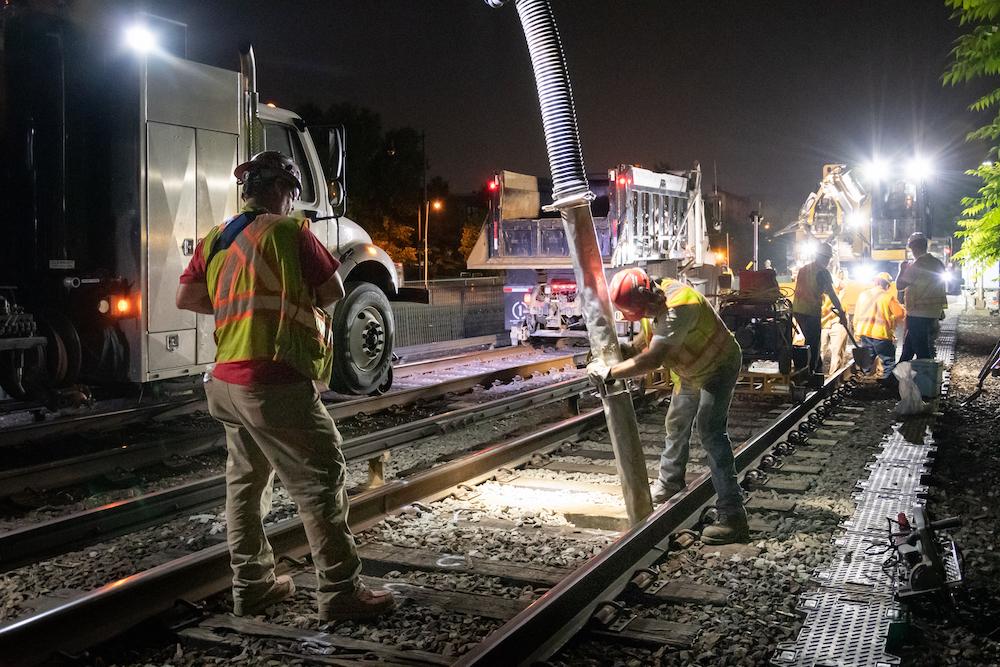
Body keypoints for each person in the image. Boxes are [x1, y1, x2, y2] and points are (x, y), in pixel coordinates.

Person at [175, 151, 396, 621]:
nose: (294, 201)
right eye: (293, 193)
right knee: (321, 479)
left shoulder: (218, 238)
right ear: (282, 189)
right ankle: (340, 594)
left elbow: (188, 296)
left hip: (226, 381)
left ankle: (251, 587)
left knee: (245, 485)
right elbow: (333, 291)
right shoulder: (289, 231)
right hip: (273, 379)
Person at [586, 268, 748, 545]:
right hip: (690, 370)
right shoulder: (655, 300)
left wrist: (611, 373)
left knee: (709, 431)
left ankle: (733, 518)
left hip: (718, 367)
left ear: (649, 301)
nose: (643, 319)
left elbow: (652, 359)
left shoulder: (680, 306)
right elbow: (644, 345)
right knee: (676, 423)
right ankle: (671, 483)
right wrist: (620, 354)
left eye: (641, 314)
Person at [792, 242, 847, 382]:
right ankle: (810, 375)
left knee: (810, 342)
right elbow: (832, 294)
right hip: (811, 311)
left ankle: (817, 368)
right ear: (827, 258)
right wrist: (841, 312)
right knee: (814, 344)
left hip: (798, 310)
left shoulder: (804, 269)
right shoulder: (822, 272)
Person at [896, 232, 947, 361]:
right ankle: (895, 379)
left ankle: (927, 379)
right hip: (934, 313)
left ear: (913, 247)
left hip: (918, 314)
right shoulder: (938, 263)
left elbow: (900, 285)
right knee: (908, 349)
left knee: (922, 352)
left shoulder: (917, 265)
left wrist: (902, 269)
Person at [853, 272, 906, 382]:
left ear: (875, 282)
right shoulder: (888, 297)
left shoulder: (863, 295)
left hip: (864, 332)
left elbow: (857, 314)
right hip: (881, 334)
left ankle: (866, 381)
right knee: (888, 361)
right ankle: (886, 384)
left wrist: (856, 331)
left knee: (867, 361)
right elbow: (900, 314)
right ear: (887, 285)